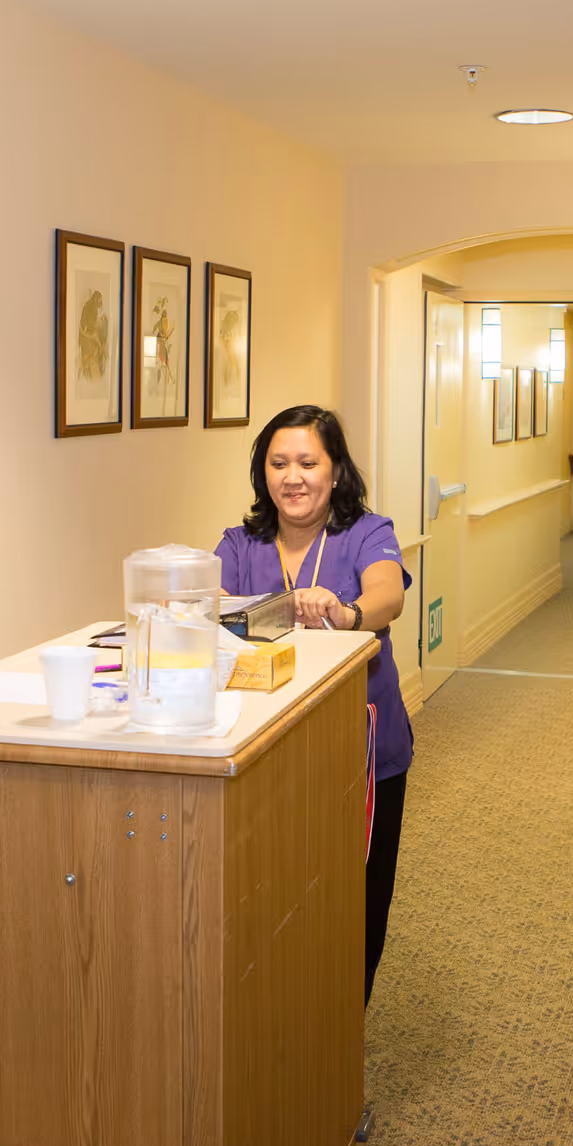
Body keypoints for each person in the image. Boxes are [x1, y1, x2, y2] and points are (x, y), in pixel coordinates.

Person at [214, 405, 412, 1007]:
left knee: (356, 897)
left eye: (307, 462)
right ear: (263, 473)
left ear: (334, 470)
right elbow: (210, 603)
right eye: (279, 464)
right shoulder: (239, 543)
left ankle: (343, 1031)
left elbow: (387, 595)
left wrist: (348, 613)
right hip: (267, 749)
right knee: (280, 897)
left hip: (363, 749)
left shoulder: (366, 532)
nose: (292, 477)